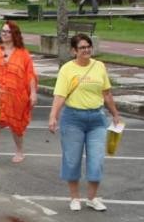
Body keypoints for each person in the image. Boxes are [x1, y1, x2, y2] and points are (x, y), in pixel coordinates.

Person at [48, 34, 122, 211]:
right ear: (74, 51)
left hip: (97, 118)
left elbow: (107, 93)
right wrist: (53, 116)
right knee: (72, 159)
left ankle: (92, 197)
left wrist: (115, 113)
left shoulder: (99, 66)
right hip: (73, 119)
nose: (86, 50)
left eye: (88, 46)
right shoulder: (67, 69)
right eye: (82, 47)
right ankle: (74, 197)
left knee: (97, 159)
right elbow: (60, 95)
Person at [0, 21, 37, 163]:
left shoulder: (23, 54)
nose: (5, 34)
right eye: (3, 31)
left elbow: (30, 75)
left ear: (15, 34)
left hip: (16, 95)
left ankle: (19, 150)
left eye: (8, 32)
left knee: (16, 126)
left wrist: (33, 93)